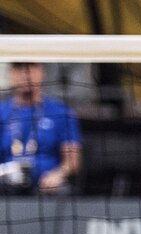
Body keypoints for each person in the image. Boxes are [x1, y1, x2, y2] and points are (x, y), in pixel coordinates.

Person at [0, 62, 82, 195]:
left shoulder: (61, 112)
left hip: (47, 186)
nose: (26, 74)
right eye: (19, 69)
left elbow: (72, 162)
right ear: (11, 74)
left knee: (63, 191)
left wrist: (57, 175)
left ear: (42, 72)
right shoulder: (2, 112)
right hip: (7, 185)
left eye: (31, 68)